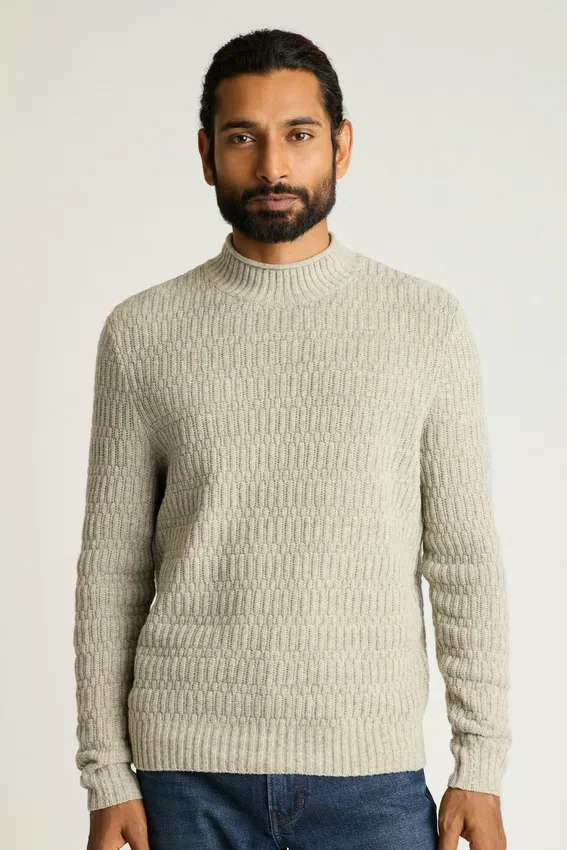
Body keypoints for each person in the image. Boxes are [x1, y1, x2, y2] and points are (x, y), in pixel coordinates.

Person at [73, 27, 512, 850]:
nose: (272, 165)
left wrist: (478, 765)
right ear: (206, 155)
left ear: (340, 147)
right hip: (182, 778)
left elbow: (462, 560)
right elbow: (112, 568)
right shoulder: (142, 333)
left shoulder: (424, 323)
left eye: (298, 135)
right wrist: (106, 773)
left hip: (370, 773)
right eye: (242, 137)